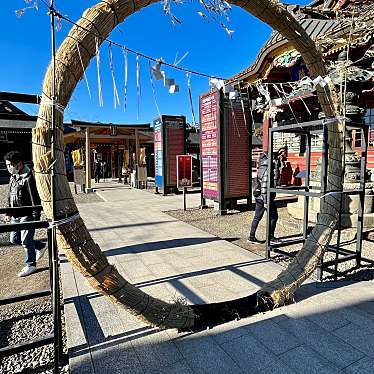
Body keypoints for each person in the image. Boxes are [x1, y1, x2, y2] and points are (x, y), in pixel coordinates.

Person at [3, 151, 46, 277]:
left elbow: (35, 200)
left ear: (19, 164)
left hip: (27, 215)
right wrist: (8, 212)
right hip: (16, 215)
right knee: (14, 239)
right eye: (7, 165)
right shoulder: (13, 177)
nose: (8, 168)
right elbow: (10, 196)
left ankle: (30, 265)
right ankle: (41, 245)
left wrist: (35, 218)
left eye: (10, 165)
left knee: (26, 241)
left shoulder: (29, 177)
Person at [248, 150, 280, 245]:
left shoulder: (262, 167)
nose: (276, 160)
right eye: (275, 158)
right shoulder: (267, 170)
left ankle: (251, 236)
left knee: (257, 217)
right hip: (265, 197)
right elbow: (265, 186)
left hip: (260, 197)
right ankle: (270, 236)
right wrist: (266, 201)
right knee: (274, 216)